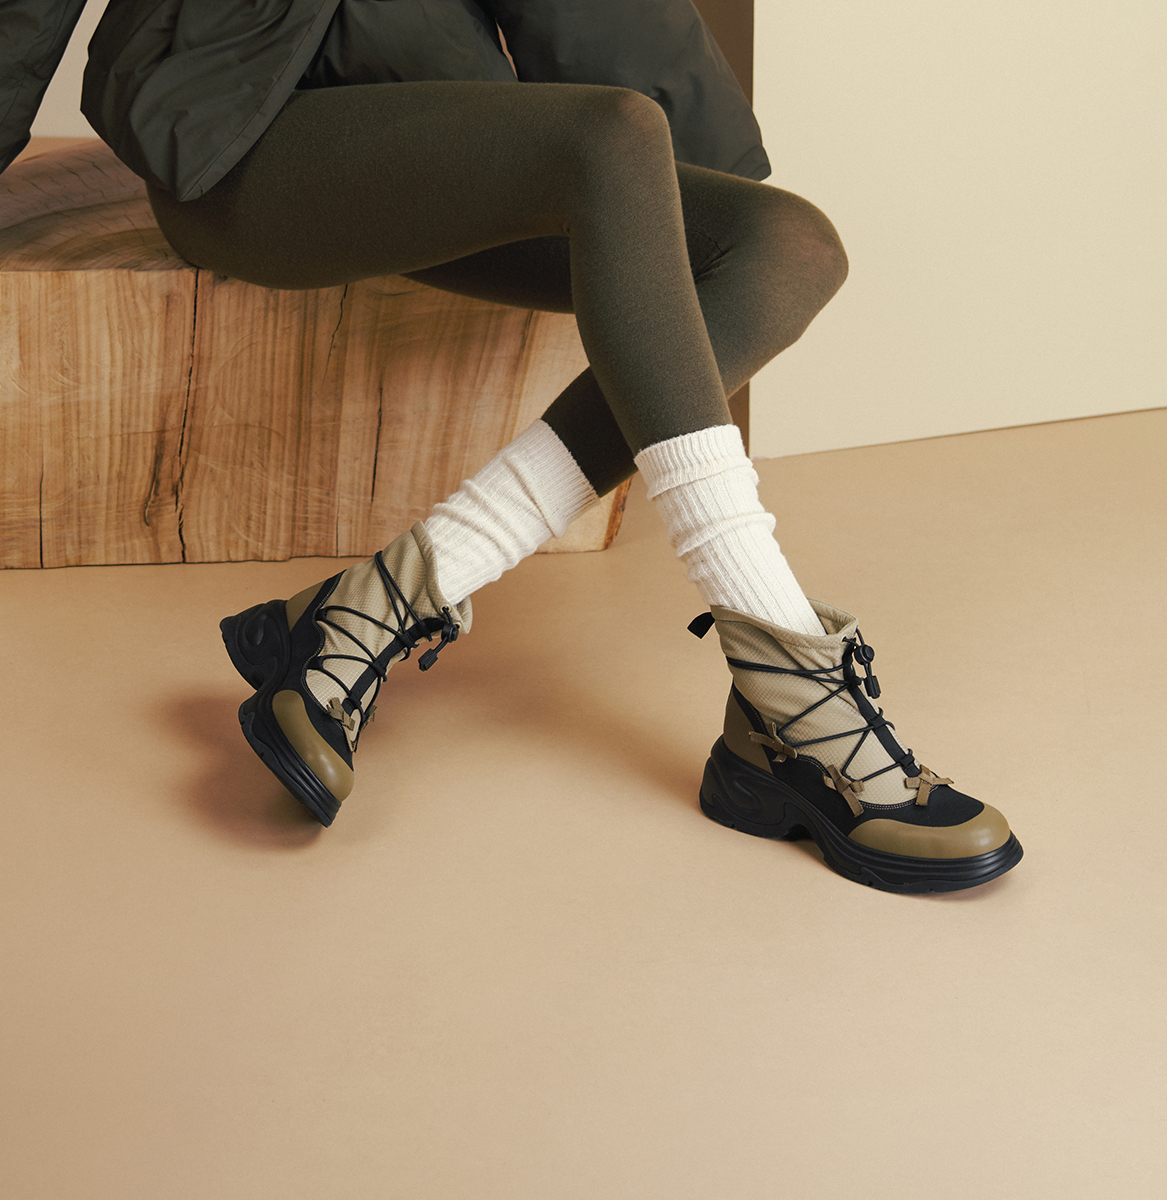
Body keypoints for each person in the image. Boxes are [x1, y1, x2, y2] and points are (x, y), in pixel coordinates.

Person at [3, 0, 1021, 892]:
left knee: (786, 241)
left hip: (440, 117)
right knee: (613, 136)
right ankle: (786, 677)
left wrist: (693, 181)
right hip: (238, 136)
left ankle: (386, 596)